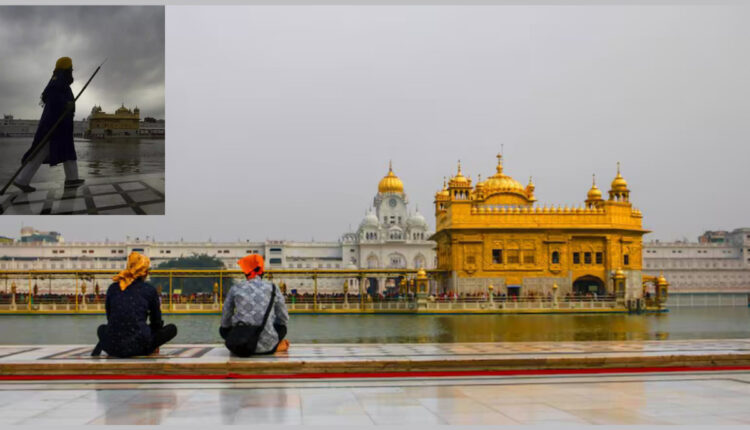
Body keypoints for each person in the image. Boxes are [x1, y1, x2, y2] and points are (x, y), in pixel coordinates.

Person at [14, 57, 84, 193]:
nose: (72, 71)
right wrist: (66, 105)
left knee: (67, 151)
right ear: (66, 69)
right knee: (41, 152)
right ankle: (22, 180)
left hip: (61, 126)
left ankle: (72, 179)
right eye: (71, 68)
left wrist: (69, 106)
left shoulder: (59, 81)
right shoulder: (57, 82)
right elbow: (53, 100)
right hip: (54, 126)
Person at [91, 252, 177, 357]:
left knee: (101, 328)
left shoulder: (113, 288)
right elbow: (156, 322)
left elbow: (110, 318)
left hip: (113, 348)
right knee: (172, 329)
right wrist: (153, 340)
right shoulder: (149, 290)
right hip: (140, 347)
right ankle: (150, 345)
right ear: (144, 273)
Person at [220, 254, 289, 356]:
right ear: (262, 270)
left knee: (223, 329)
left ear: (246, 271)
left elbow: (225, 318)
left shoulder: (236, 288)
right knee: (282, 327)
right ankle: (274, 346)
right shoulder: (273, 287)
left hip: (240, 343)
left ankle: (245, 345)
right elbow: (283, 318)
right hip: (268, 345)